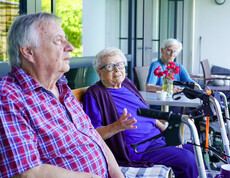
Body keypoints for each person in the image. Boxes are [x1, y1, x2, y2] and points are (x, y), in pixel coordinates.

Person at [0, 13, 124, 178]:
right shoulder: (8, 97)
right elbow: (26, 172)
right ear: (28, 52)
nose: (70, 47)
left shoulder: (62, 89)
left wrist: (117, 174)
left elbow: (93, 136)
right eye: (59, 41)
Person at [83, 47, 199, 178]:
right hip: (138, 148)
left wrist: (163, 128)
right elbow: (92, 133)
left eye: (120, 64)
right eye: (110, 67)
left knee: (197, 150)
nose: (117, 70)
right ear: (99, 72)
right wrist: (117, 126)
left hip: (156, 138)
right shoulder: (95, 94)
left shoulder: (127, 84)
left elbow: (144, 112)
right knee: (188, 159)